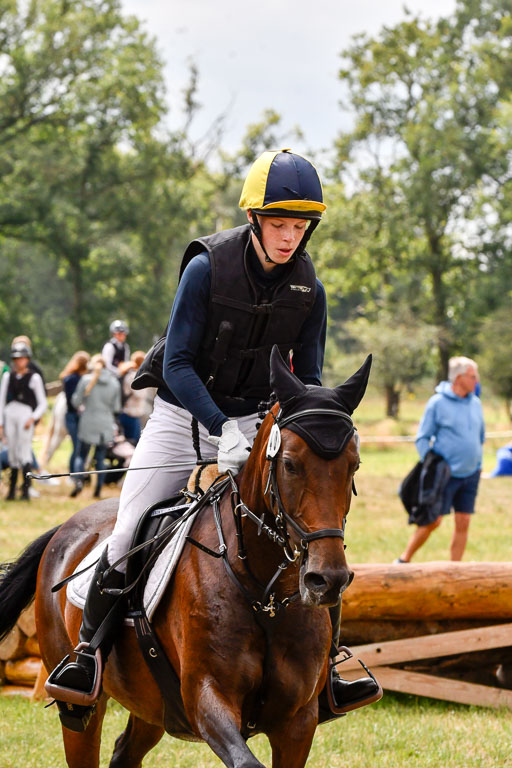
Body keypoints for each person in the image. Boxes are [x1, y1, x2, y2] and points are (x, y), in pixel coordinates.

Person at [47, 149, 379, 728]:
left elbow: (312, 377)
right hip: (180, 418)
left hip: (258, 426)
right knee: (128, 531)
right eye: (279, 223)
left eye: (299, 227)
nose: (288, 237)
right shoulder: (207, 268)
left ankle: (327, 672)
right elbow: (176, 363)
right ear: (255, 219)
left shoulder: (310, 290)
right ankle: (86, 657)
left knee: (312, 539)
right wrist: (219, 426)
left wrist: (304, 426)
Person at [395, 356, 485, 564]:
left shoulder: (476, 403)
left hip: (471, 474)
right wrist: (432, 465)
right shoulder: (437, 403)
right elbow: (423, 438)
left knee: (463, 521)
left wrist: (479, 465)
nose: (476, 381)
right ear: (459, 378)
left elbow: (479, 438)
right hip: (444, 476)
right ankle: (404, 560)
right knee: (433, 521)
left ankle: (455, 570)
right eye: (473, 376)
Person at [0, 342, 47, 500]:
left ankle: (26, 490)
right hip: (10, 413)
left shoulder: (34, 377)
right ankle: (12, 490)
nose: (19, 361)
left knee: (25, 451)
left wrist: (33, 418)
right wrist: (1, 422)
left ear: (27, 359)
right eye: (16, 358)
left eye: (22, 358)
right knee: (12, 450)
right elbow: (1, 401)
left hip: (25, 414)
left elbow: (43, 403)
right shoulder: (8, 376)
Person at [71, 354, 121, 499]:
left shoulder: (86, 380)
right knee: (100, 458)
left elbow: (75, 402)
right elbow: (116, 407)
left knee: (81, 455)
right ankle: (98, 487)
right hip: (105, 424)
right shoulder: (114, 383)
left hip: (88, 421)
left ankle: (79, 482)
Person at [59, 351, 91, 494]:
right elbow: (73, 402)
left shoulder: (76, 378)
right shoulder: (72, 379)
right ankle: (73, 474)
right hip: (73, 416)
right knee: (77, 445)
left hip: (78, 416)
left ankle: (78, 473)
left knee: (80, 446)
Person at [117, 350, 147, 444]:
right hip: (129, 414)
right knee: (131, 443)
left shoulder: (133, 374)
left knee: (133, 443)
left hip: (133, 414)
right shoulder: (133, 376)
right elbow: (141, 395)